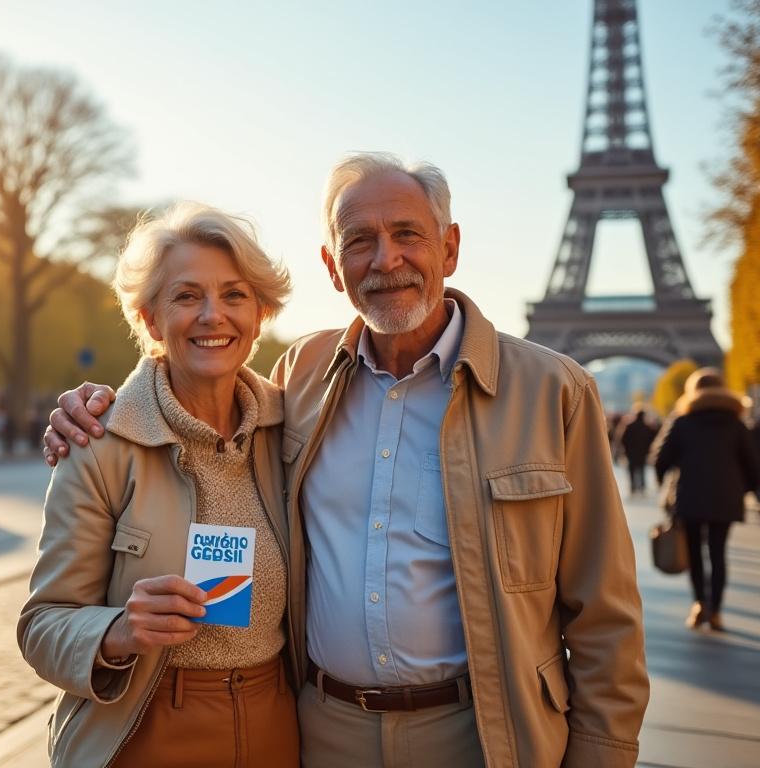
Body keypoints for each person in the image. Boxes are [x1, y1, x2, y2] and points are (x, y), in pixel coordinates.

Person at [44, 153, 649, 767]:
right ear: (333, 267)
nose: (386, 259)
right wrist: (99, 406)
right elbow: (192, 389)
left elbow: (605, 611)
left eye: (407, 233)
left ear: (450, 247)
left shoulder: (552, 391)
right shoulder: (298, 383)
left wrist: (603, 754)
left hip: (477, 733)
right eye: (360, 241)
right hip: (322, 732)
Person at [18, 203, 302, 767]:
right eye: (187, 296)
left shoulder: (295, 429)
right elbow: (42, 624)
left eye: (234, 295)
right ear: (151, 320)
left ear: (260, 313)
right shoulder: (100, 444)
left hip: (279, 725)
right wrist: (119, 632)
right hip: (145, 729)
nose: (212, 315)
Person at [650, 368, 760, 631]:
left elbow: (660, 459)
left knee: (695, 554)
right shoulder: (735, 422)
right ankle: (716, 610)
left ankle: (699, 604)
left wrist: (663, 482)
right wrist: (747, 490)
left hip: (690, 496)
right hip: (726, 497)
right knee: (718, 552)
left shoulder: (682, 421)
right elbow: (752, 464)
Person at [616, 408, 657, 495]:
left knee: (631, 470)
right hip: (642, 452)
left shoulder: (629, 426)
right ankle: (642, 486)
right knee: (641, 469)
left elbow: (622, 439)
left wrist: (625, 449)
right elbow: (652, 440)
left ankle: (633, 487)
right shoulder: (647, 427)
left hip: (630, 452)